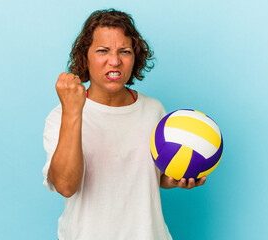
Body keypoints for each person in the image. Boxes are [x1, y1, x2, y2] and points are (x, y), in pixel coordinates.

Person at [42, 9, 207, 240]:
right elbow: (66, 186)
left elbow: (152, 176)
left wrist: (173, 179)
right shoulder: (61, 115)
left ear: (135, 58)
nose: (115, 60)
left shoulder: (154, 110)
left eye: (125, 51)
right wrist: (73, 111)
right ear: (85, 57)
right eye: (102, 50)